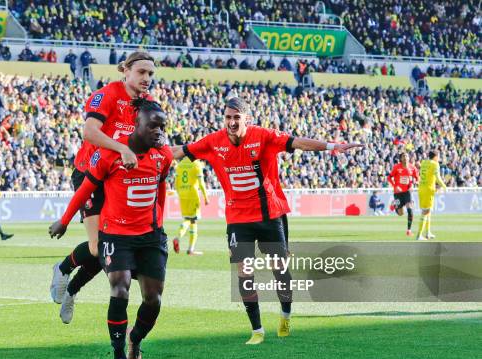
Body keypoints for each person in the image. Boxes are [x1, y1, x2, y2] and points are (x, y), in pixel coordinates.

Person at [171, 97, 363, 344]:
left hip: (270, 216)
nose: (231, 122)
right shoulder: (212, 141)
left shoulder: (263, 136)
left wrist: (331, 146)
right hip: (238, 220)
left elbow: (297, 142)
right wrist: (139, 154)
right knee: (244, 272)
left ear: (246, 119)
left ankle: (285, 315)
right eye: (228, 117)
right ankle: (257, 330)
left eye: (236, 118)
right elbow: (178, 151)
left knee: (280, 271)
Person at [49, 99, 173, 359]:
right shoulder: (109, 151)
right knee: (119, 286)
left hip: (150, 235)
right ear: (137, 124)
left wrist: (159, 222)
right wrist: (65, 220)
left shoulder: (162, 154)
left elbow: (160, 186)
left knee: (153, 299)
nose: (160, 132)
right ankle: (118, 357)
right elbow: (85, 188)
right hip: (116, 233)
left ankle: (134, 339)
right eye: (154, 126)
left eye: (162, 127)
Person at [49, 51, 156, 321]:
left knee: (109, 248)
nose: (147, 78)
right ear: (126, 71)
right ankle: (63, 269)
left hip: (117, 180)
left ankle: (72, 290)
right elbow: (89, 132)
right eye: (142, 72)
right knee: (98, 248)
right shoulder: (108, 94)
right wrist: (122, 148)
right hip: (90, 173)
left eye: (151, 73)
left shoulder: (148, 103)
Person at [173, 157, 209, 255]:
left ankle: (183, 242)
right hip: (192, 194)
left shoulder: (179, 165)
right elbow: (201, 183)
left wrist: (180, 193)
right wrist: (206, 197)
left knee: (187, 219)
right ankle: (189, 248)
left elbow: (175, 183)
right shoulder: (196, 164)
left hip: (182, 194)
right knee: (193, 220)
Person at [416, 150, 446, 240]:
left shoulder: (424, 162)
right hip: (428, 190)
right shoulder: (435, 164)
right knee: (425, 212)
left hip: (421, 188)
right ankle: (419, 235)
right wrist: (444, 186)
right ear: (436, 156)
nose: (439, 158)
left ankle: (428, 233)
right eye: (439, 156)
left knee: (428, 212)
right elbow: (438, 178)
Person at [388, 153, 418, 236]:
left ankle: (409, 230)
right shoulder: (396, 167)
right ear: (401, 159)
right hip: (398, 193)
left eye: (406, 156)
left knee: (410, 209)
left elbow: (417, 178)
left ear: (409, 158)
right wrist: (395, 186)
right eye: (403, 156)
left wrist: (413, 185)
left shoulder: (412, 168)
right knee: (401, 213)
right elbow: (389, 177)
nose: (405, 157)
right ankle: (394, 205)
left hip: (407, 192)